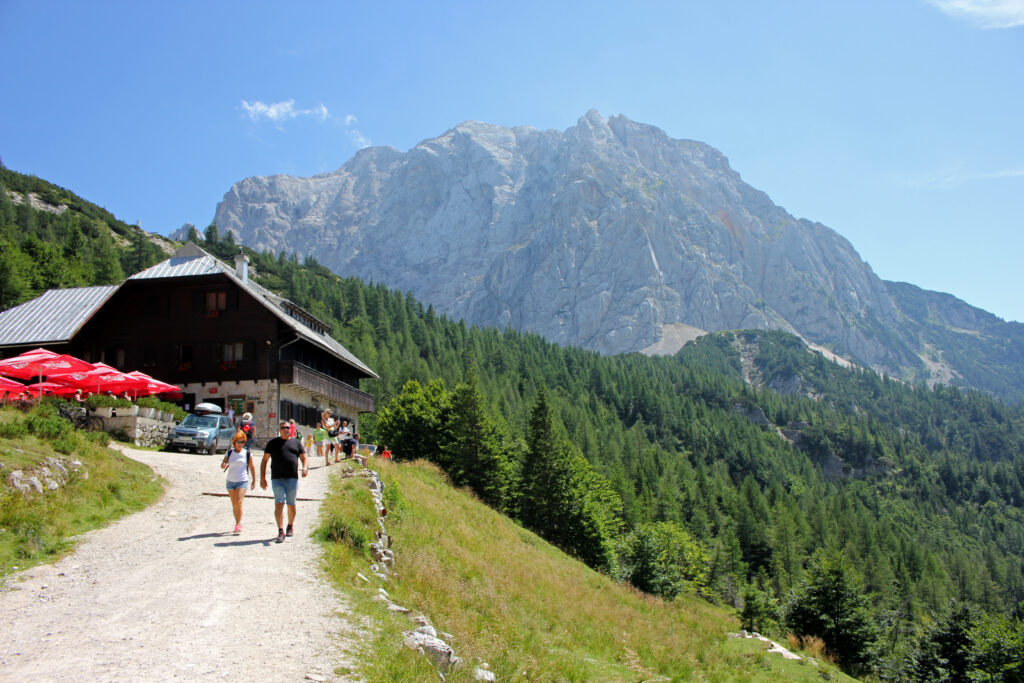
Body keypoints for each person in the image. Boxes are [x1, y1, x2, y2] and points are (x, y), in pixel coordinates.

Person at [260, 420, 309, 543]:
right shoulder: (272, 443)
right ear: (279, 430)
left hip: (292, 478)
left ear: (291, 429)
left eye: (288, 427)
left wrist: (305, 467)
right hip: (277, 478)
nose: (286, 430)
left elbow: (304, 457)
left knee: (291, 504)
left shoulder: (296, 443)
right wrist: (262, 478)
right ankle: (280, 530)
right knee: (279, 503)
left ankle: (290, 525)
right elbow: (264, 460)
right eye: (283, 428)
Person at [221, 430, 255, 534]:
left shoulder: (247, 453)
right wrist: (223, 465)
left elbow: (251, 467)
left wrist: (254, 480)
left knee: (239, 502)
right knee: (235, 504)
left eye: (242, 442)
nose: (240, 444)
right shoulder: (230, 452)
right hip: (231, 481)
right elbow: (224, 462)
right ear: (234, 442)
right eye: (238, 442)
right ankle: (237, 522)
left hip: (242, 481)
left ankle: (238, 524)